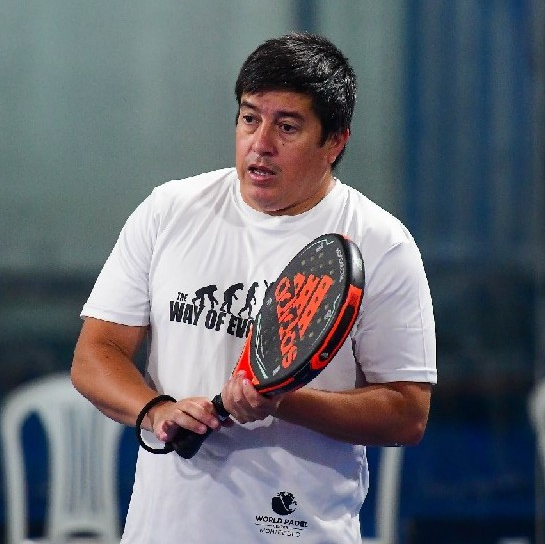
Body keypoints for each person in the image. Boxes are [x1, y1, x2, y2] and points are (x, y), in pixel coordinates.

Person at [71, 32, 436, 543]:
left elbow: (406, 413)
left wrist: (282, 401)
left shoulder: (382, 243)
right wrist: (156, 411)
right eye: (249, 118)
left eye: (287, 127)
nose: (260, 144)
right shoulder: (168, 211)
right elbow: (96, 354)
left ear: (335, 142)